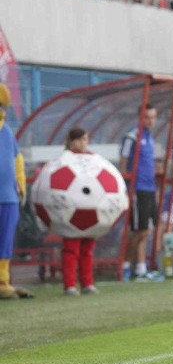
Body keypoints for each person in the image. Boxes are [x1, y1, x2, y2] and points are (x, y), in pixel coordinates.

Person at [119, 104, 164, 282]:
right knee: (139, 230)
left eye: (153, 117)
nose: (150, 121)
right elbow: (123, 162)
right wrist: (126, 187)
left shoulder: (149, 137)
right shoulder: (132, 137)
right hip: (137, 189)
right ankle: (125, 266)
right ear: (140, 117)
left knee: (147, 230)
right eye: (147, 117)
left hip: (149, 188)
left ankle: (141, 268)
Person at [0, 83, 33, 300]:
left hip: (8, 197)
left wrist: (20, 185)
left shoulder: (7, 131)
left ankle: (2, 281)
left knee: (4, 242)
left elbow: (17, 160)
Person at [60, 127, 100, 296]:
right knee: (71, 249)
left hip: (89, 210)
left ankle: (87, 283)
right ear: (72, 141)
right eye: (82, 139)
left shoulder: (92, 159)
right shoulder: (64, 160)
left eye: (86, 139)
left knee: (87, 249)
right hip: (71, 211)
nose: (84, 143)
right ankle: (70, 285)